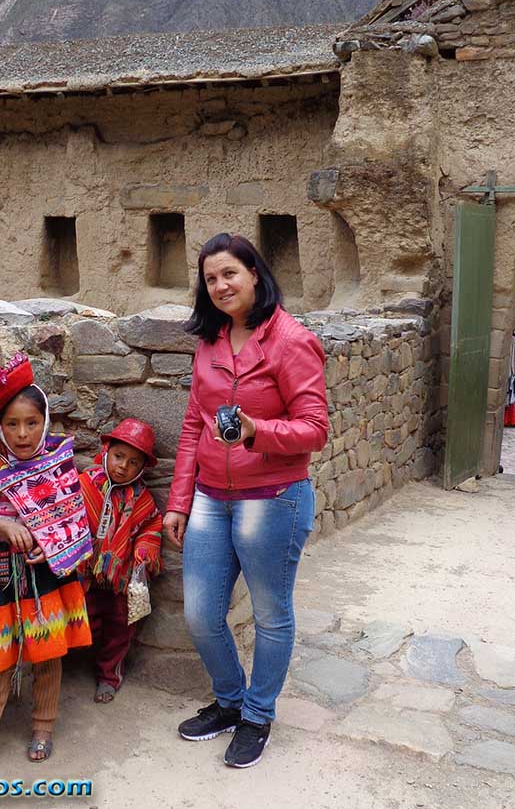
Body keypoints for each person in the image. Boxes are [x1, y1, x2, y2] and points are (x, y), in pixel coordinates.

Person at [162, 232, 329, 769]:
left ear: (255, 273)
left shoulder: (291, 340)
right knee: (200, 614)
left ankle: (258, 715)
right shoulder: (210, 342)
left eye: (230, 273)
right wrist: (179, 501)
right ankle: (230, 700)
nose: (220, 285)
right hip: (211, 495)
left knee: (270, 615)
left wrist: (258, 430)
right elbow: (194, 425)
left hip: (273, 496)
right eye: (210, 278)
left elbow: (314, 429)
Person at [0, 354, 93, 777]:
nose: (22, 434)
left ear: (44, 421)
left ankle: (43, 728)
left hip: (47, 576)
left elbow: (74, 514)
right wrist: (0, 524)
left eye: (30, 423)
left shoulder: (58, 461)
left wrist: (54, 543)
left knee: (47, 656)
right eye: (12, 424)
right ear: (0, 427)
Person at [77, 418, 164, 704]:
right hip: (84, 573)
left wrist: (144, 551)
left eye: (134, 462)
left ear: (142, 468)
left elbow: (151, 526)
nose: (123, 466)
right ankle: (70, 664)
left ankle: (109, 674)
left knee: (120, 625)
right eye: (118, 456)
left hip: (119, 578)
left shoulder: (141, 498)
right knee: (83, 618)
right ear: (106, 451)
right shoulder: (84, 484)